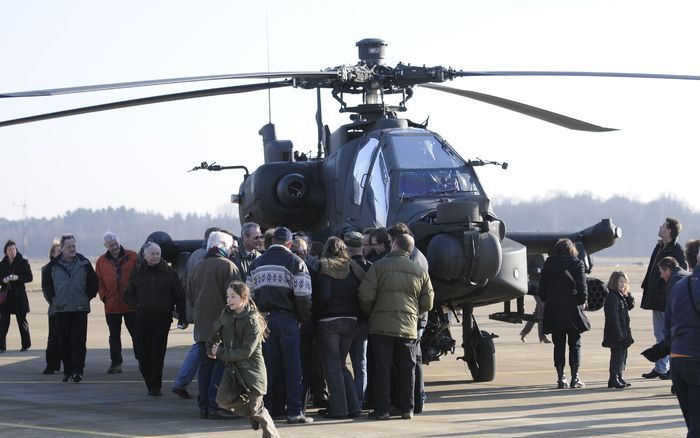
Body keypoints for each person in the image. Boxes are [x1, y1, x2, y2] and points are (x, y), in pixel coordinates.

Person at [359, 233, 434, 420]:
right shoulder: (419, 271)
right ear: (410, 249)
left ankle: (382, 410)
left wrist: (373, 312)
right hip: (408, 327)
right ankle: (407, 409)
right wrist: (413, 313)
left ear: (393, 245)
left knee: (382, 369)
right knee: (407, 369)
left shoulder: (379, 267)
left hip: (381, 326)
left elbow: (365, 295)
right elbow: (429, 302)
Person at [247, 226, 314, 424]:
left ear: (271, 241)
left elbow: (249, 296)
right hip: (288, 320)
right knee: (293, 367)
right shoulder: (296, 262)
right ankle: (294, 411)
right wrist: (303, 318)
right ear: (289, 243)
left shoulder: (256, 263)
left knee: (267, 367)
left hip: (264, 320)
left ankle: (266, 410)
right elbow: (303, 297)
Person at [208, 281, 281, 438]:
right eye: (227, 296)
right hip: (233, 369)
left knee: (257, 409)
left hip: (251, 371)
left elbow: (246, 352)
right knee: (222, 400)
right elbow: (214, 333)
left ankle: (272, 435)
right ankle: (253, 414)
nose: (229, 300)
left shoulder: (252, 321)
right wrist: (210, 348)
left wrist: (220, 352)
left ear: (244, 298)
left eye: (233, 296)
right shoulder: (226, 315)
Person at [188, 230, 241, 419]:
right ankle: (215, 406)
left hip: (202, 328)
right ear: (224, 246)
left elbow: (191, 298)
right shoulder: (228, 267)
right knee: (220, 368)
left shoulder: (197, 266)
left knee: (205, 369)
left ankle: (204, 406)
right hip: (223, 328)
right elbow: (236, 300)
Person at [124, 241, 186, 396]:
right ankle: (149, 381)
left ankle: (155, 385)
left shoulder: (169, 273)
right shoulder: (137, 272)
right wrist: (136, 304)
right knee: (143, 353)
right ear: (145, 255)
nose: (155, 257)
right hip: (143, 318)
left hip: (162, 318)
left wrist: (182, 317)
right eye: (152, 254)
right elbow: (128, 294)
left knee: (157, 353)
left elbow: (179, 296)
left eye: (158, 254)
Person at [315, 236, 363, 419]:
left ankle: (339, 409)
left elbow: (325, 295)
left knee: (332, 365)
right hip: (351, 320)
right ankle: (354, 406)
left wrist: (317, 313)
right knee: (341, 364)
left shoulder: (324, 265)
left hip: (329, 321)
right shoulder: (353, 266)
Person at [172, 226, 221, 400]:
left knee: (199, 346)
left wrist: (192, 301)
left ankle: (182, 383)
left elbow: (185, 281)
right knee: (201, 349)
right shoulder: (213, 259)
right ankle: (183, 382)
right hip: (210, 311)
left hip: (196, 308)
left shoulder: (193, 256)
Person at [43, 234, 98, 383]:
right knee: (64, 342)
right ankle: (67, 370)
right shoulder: (52, 266)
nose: (72, 249)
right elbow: (46, 286)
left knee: (79, 341)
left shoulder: (84, 263)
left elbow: (94, 283)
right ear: (61, 249)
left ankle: (77, 371)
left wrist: (86, 297)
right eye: (69, 247)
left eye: (74, 246)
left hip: (80, 308)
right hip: (61, 309)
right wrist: (53, 300)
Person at [539, 238, 590, 389]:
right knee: (575, 344)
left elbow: (542, 288)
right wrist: (582, 301)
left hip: (554, 309)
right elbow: (582, 287)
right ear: (571, 249)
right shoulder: (577, 263)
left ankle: (561, 379)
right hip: (571, 308)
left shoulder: (549, 263)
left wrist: (546, 300)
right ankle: (575, 378)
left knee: (558, 344)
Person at [641, 218, 687, 380]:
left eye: (662, 226)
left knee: (665, 334)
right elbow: (652, 271)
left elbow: (681, 274)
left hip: (665, 299)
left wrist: (665, 293)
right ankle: (661, 367)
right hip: (656, 298)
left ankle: (665, 367)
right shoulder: (660, 246)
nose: (659, 227)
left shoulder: (677, 250)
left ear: (669, 231)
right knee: (658, 333)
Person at [664, 239, 700, 435]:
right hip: (696, 358)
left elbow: (667, 326)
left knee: (693, 425)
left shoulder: (678, 287)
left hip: (678, 358)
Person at [95, 231, 139, 374]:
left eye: (115, 244)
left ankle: (142, 360)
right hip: (112, 306)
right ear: (105, 246)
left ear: (119, 242)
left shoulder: (132, 256)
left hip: (131, 305)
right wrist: (104, 297)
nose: (114, 247)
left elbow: (140, 276)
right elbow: (99, 282)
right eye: (110, 245)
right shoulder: (101, 261)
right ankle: (116, 363)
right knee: (114, 337)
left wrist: (137, 297)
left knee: (137, 335)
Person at [344, 231, 372, 406]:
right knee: (361, 363)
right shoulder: (371, 267)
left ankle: (347, 398)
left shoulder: (342, 268)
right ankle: (359, 398)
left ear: (346, 247)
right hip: (363, 320)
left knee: (338, 361)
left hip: (345, 319)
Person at [602, 271, 635, 389]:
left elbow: (631, 305)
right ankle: (613, 378)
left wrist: (628, 293)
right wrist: (619, 334)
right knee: (617, 355)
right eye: (621, 282)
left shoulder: (621, 296)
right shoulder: (612, 297)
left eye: (625, 282)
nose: (623, 284)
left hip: (623, 331)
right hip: (616, 333)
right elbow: (613, 317)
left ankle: (619, 376)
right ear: (614, 282)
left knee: (622, 355)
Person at [0, 239, 33, 353]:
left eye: (14, 249)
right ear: (6, 252)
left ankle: (26, 345)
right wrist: (3, 280)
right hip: (6, 297)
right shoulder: (2, 264)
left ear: (16, 250)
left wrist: (18, 278)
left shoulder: (23, 262)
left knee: (22, 322)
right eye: (9, 249)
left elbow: (29, 277)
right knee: (3, 323)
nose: (12, 251)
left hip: (19, 296)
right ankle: (1, 347)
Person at [40, 240, 62, 374]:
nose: (61, 253)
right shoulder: (47, 268)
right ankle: (51, 364)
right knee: (53, 338)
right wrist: (53, 301)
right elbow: (46, 289)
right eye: (58, 251)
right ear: (52, 254)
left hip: (69, 307)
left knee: (68, 338)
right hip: (55, 308)